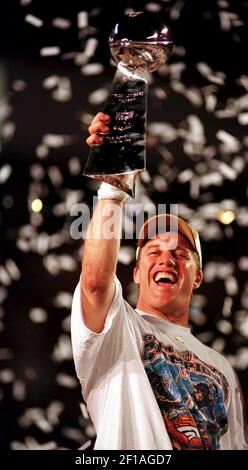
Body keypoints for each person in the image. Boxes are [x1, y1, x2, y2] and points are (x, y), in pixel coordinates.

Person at [71, 112, 248, 450]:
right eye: (153, 251)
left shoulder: (222, 369)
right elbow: (95, 281)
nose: (167, 258)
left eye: (181, 254)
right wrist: (114, 183)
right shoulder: (119, 330)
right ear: (136, 273)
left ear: (197, 276)